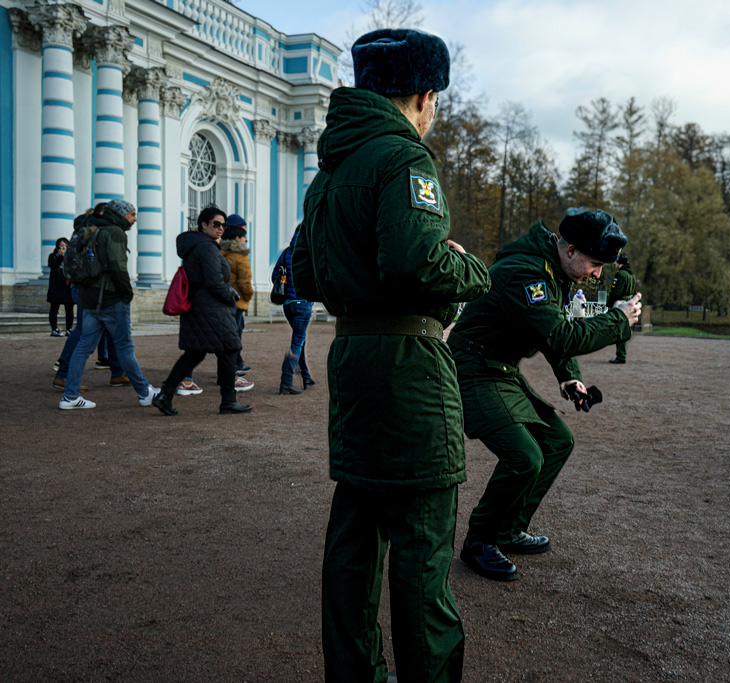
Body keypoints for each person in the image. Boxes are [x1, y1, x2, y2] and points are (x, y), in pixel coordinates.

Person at [290, 29, 491, 681]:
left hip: (352, 358)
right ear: (425, 96)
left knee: (354, 534)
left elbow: (306, 275)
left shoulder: (329, 173)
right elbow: (415, 263)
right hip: (410, 368)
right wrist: (472, 271)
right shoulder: (404, 159)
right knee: (421, 549)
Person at [449, 208, 642, 581]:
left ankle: (507, 529)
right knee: (525, 456)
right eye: (595, 263)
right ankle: (480, 541)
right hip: (471, 370)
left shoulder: (552, 270)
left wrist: (568, 376)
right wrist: (618, 320)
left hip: (499, 369)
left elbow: (551, 328)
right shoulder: (526, 272)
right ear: (570, 251)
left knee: (558, 440)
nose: (598, 273)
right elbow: (559, 335)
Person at [58, 199, 158, 410]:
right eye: (132, 214)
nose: (135, 218)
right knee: (124, 346)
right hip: (111, 298)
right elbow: (117, 267)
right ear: (121, 215)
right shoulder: (115, 232)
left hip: (88, 298)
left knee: (84, 345)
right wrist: (127, 293)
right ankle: (145, 392)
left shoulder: (91, 228)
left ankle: (70, 396)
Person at [152, 207, 252, 416]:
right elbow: (215, 281)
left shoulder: (199, 245)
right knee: (227, 351)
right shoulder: (206, 247)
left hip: (201, 307)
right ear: (203, 225)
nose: (220, 228)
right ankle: (228, 401)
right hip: (211, 308)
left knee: (195, 353)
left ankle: (165, 394)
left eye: (223, 225)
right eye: (216, 224)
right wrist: (231, 295)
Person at [277, 227, 315, 395]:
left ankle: (306, 377)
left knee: (300, 340)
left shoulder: (286, 252)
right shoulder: (309, 252)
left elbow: (274, 275)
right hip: (303, 303)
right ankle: (286, 381)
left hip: (287, 304)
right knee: (297, 342)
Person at [221, 214, 254, 376]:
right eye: (243, 234)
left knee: (230, 334)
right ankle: (231, 370)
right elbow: (245, 281)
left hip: (224, 298)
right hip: (237, 300)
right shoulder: (240, 255)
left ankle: (234, 364)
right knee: (234, 337)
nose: (245, 239)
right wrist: (248, 296)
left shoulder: (222, 251)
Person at [607, 253, 637, 364]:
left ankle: (620, 355)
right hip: (629, 302)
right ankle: (621, 354)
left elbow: (615, 292)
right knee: (625, 329)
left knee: (620, 330)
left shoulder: (620, 275)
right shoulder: (631, 275)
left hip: (620, 303)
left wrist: (609, 303)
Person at [46, 238, 74, 336]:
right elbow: (53, 266)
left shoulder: (70, 256)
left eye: (65, 245)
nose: (63, 247)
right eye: (61, 245)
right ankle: (54, 329)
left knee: (69, 308)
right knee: (54, 308)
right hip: (56, 286)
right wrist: (60, 257)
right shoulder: (52, 256)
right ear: (58, 246)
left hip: (67, 286)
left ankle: (69, 329)